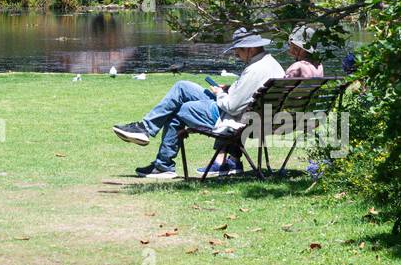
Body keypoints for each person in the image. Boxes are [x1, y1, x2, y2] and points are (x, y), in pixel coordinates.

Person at [112, 27, 285, 179]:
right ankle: (148, 134)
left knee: (182, 109)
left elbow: (232, 106)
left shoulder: (255, 69)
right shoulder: (269, 63)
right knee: (182, 87)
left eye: (238, 50)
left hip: (234, 120)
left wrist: (220, 94)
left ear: (251, 48)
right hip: (257, 118)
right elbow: (249, 93)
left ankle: (161, 161)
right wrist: (231, 88)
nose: (236, 54)